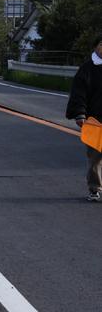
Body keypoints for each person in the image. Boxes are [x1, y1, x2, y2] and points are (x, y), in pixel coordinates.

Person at [66, 34, 102, 202]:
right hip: (95, 121)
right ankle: (95, 188)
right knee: (95, 158)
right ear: (96, 47)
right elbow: (79, 94)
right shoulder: (87, 68)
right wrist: (80, 114)